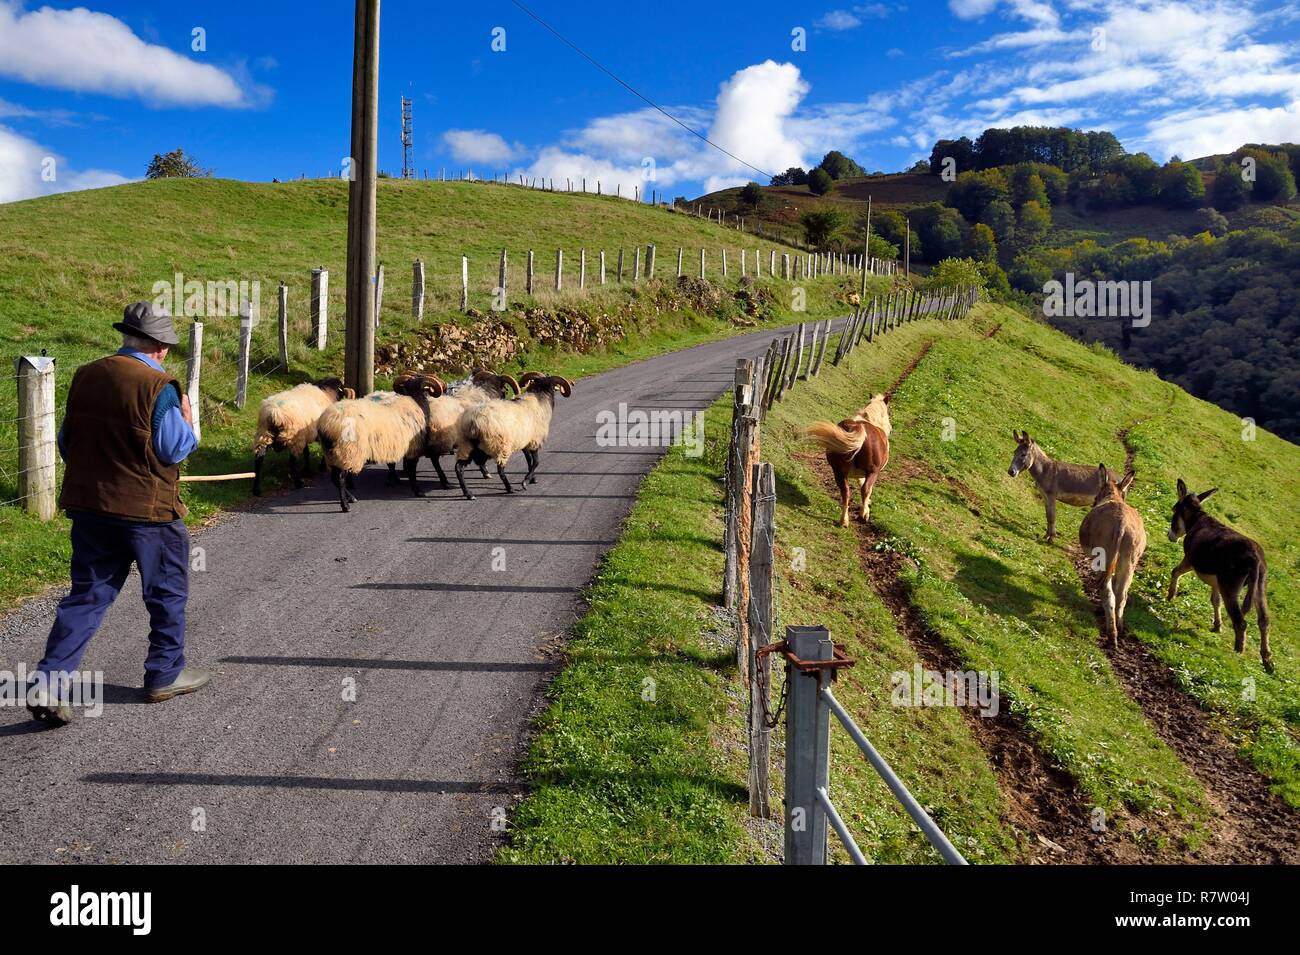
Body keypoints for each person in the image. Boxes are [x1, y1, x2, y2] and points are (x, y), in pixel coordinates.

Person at [28, 302, 209, 726]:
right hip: (149, 512)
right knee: (166, 593)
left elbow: (67, 440)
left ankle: (49, 682)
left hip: (91, 507)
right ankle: (165, 674)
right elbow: (172, 449)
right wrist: (189, 423)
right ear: (161, 348)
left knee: (87, 596)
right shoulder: (159, 386)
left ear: (126, 336)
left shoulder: (86, 374)